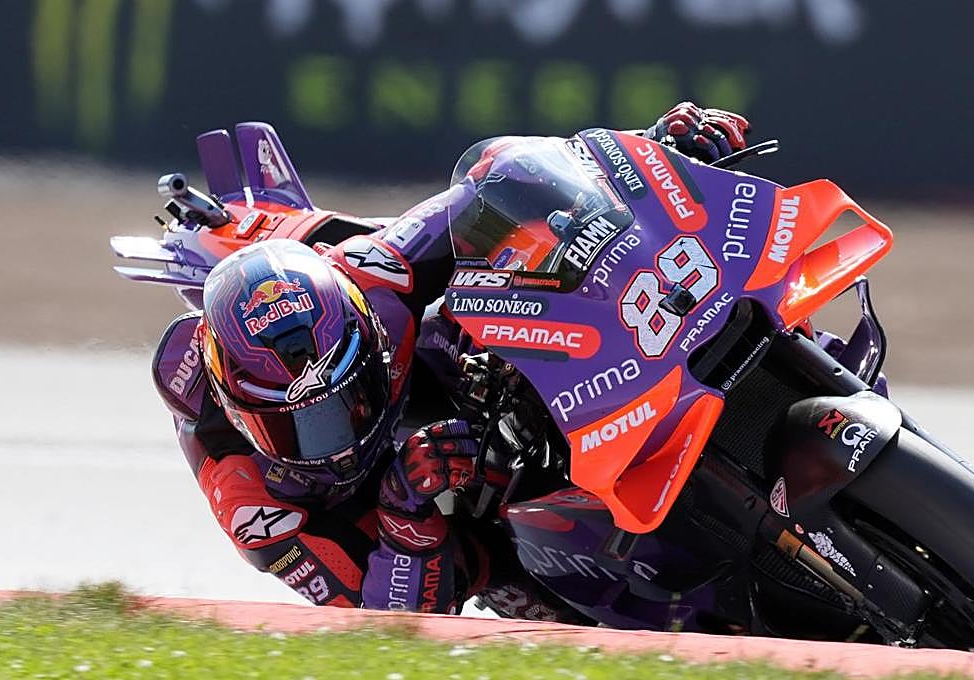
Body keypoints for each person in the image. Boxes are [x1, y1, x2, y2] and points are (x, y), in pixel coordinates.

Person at [150, 103, 752, 616]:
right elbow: (380, 630)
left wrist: (652, 150)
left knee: (523, 269)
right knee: (535, 579)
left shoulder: (376, 279)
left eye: (352, 397)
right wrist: (403, 512)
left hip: (413, 346)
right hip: (420, 520)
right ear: (243, 417)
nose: (340, 437)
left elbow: (502, 177)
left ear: (367, 336)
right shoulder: (252, 500)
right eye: (305, 425)